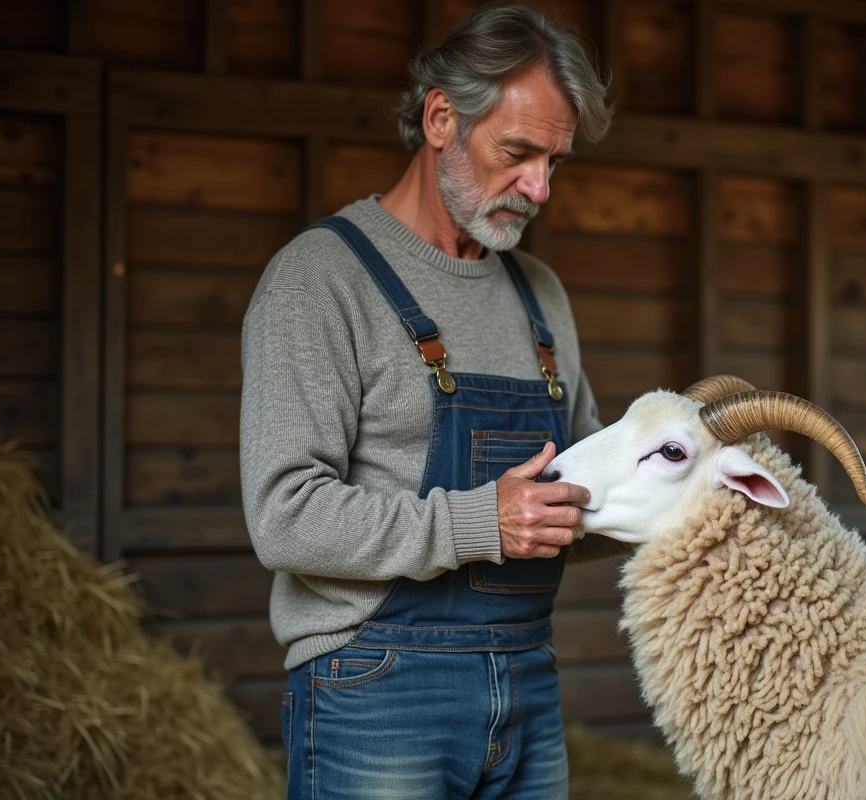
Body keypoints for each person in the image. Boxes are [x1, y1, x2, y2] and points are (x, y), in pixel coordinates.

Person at [239, 4, 628, 799]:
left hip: (528, 680)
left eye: (555, 163)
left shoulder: (539, 296)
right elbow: (285, 514)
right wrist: (485, 520)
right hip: (375, 688)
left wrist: (678, 492)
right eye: (518, 153)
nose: (540, 187)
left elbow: (573, 502)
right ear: (442, 118)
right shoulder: (319, 280)